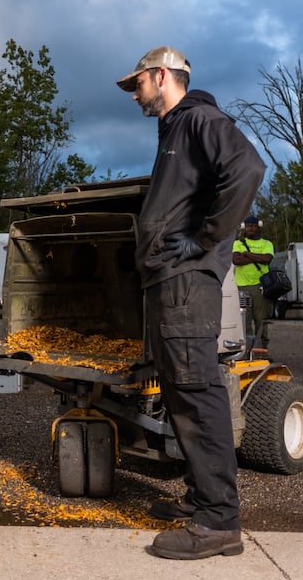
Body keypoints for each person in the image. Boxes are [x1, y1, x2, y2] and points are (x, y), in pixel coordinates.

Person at [116, 46, 265, 560]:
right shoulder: (173, 131)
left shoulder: (200, 118)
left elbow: (247, 169)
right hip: (167, 281)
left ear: (162, 75)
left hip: (186, 281)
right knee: (181, 392)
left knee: (198, 395)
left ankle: (219, 521)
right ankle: (203, 500)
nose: (134, 93)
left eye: (137, 83)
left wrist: (203, 241)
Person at [232, 216, 274, 352]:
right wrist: (257, 256)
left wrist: (247, 254)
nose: (250, 228)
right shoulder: (237, 243)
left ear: (258, 227)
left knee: (261, 320)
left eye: (253, 226)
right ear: (245, 227)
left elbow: (267, 259)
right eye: (248, 225)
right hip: (242, 287)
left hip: (260, 287)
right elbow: (236, 260)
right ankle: (246, 351)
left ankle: (262, 351)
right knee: (245, 320)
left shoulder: (267, 243)